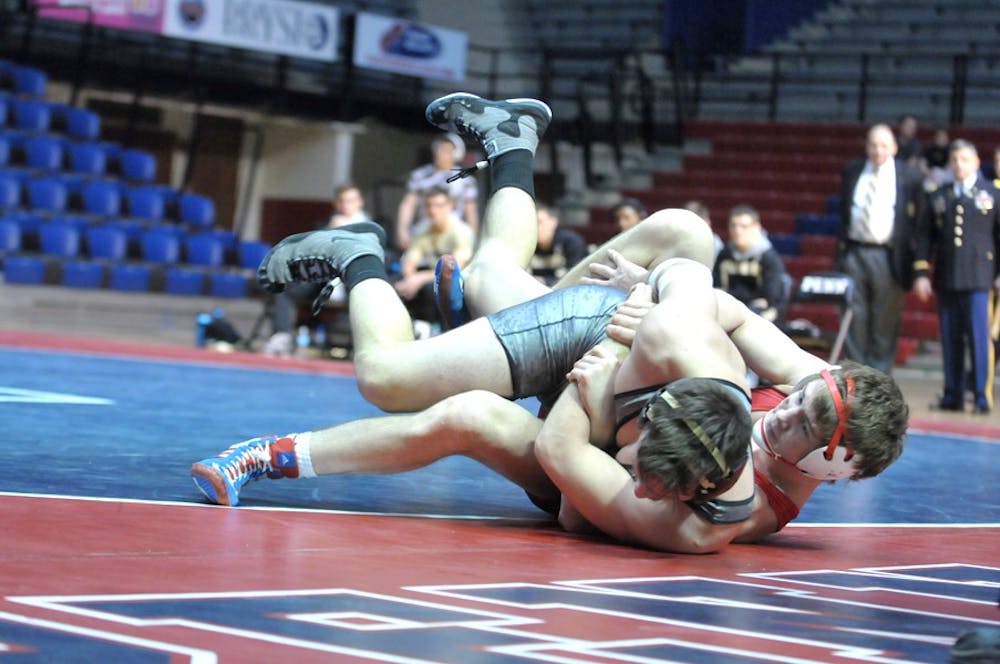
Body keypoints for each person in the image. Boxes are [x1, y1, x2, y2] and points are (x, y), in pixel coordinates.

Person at [192, 93, 907, 553]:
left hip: (582, 425)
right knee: (685, 237)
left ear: (838, 467)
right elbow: (707, 299)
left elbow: (570, 493)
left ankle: (508, 151)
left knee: (473, 381)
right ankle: (364, 258)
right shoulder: (702, 352)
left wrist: (590, 401)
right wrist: (651, 289)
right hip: (601, 338)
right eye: (802, 403)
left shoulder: (701, 523)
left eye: (807, 427)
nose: (786, 417)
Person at [912, 139, 999, 414]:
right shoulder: (939, 195)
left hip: (979, 278)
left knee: (978, 338)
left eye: (964, 159)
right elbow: (926, 237)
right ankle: (953, 393)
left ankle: (981, 395)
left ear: (975, 162)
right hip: (947, 278)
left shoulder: (992, 194)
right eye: (954, 160)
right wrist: (921, 273)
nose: (959, 165)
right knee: (950, 339)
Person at [837, 123, 925, 374]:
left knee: (884, 321)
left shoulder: (910, 176)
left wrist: (917, 265)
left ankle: (879, 379)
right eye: (873, 145)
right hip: (854, 251)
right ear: (866, 147)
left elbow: (919, 224)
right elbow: (844, 215)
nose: (878, 150)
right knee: (853, 317)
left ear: (895, 148)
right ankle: (854, 377)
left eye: (884, 145)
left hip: (889, 255)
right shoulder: (852, 171)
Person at [263, 183, 374, 356]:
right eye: (342, 201)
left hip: (353, 281)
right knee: (282, 288)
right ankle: (282, 335)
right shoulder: (325, 225)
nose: (346, 205)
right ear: (336, 204)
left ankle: (367, 344)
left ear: (360, 202)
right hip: (322, 279)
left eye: (351, 201)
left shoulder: (372, 228)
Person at [392, 187, 474, 333]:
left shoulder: (461, 231)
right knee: (395, 284)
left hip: (460, 280)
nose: (433, 210)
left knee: (434, 287)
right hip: (431, 277)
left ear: (450, 206)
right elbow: (410, 260)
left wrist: (418, 279)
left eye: (438, 205)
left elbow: (456, 268)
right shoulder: (423, 230)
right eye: (429, 205)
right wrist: (410, 279)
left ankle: (442, 332)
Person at [395, 132, 479, 250]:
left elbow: (471, 211)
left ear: (456, 154)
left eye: (446, 150)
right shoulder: (420, 175)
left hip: (452, 234)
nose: (440, 153)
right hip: (424, 231)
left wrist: (472, 238)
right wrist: (402, 231)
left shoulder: (465, 180)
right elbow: (408, 204)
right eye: (438, 149)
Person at [712, 204, 788, 323]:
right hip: (729, 310)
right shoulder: (724, 255)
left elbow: (771, 299)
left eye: (744, 226)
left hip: (759, 315)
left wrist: (733, 296)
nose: (738, 231)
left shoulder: (768, 257)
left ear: (756, 227)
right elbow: (716, 289)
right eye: (733, 226)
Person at [529, 203, 587, 286]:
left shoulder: (571, 242)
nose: (536, 227)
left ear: (553, 222)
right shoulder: (525, 245)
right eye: (531, 223)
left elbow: (577, 277)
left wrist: (544, 281)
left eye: (539, 222)